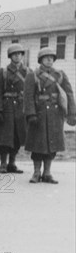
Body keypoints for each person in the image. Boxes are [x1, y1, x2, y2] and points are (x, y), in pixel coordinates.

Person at [24, 48, 76, 183]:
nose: (49, 60)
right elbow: (28, 96)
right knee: (37, 145)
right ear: (40, 60)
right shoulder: (33, 75)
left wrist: (72, 113)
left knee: (52, 145)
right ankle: (36, 172)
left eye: (51, 57)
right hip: (39, 113)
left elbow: (69, 94)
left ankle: (47, 173)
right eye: (46, 57)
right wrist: (31, 114)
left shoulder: (60, 75)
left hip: (55, 114)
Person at [0, 44, 30, 173]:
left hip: (21, 108)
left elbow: (31, 93)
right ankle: (3, 163)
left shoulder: (28, 72)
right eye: (14, 54)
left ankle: (12, 163)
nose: (17, 56)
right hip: (6, 107)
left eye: (19, 54)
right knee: (5, 137)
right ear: (10, 56)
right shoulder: (3, 72)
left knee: (17, 137)